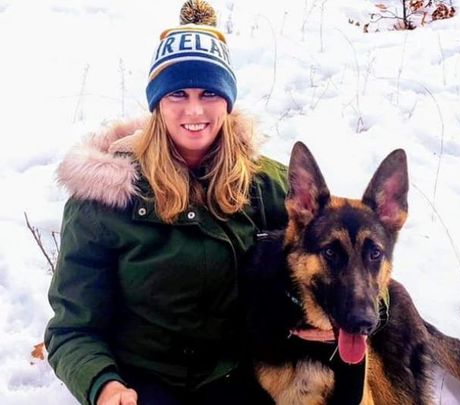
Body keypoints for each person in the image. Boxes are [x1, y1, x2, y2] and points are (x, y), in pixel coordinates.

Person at [44, 1, 288, 404]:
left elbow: (352, 245)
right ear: (157, 103)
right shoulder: (105, 198)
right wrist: (103, 385)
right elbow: (72, 329)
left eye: (209, 92)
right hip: (143, 382)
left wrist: (352, 316)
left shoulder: (265, 183)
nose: (194, 110)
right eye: (178, 93)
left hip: (241, 374)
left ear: (227, 101)